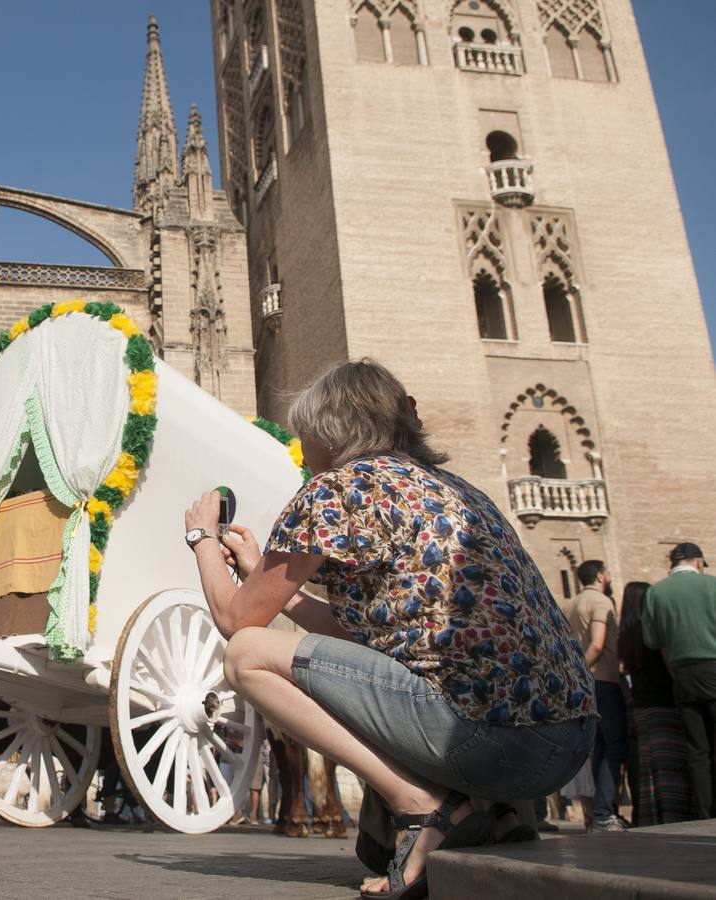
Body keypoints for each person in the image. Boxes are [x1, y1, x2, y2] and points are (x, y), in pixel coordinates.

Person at [184, 359, 595, 900]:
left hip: (486, 744)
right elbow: (371, 637)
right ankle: (492, 815)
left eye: (303, 435)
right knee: (372, 840)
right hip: (568, 744)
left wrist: (202, 537)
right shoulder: (459, 491)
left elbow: (236, 621)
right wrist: (272, 576)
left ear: (327, 433)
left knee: (248, 655)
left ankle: (422, 807)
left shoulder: (333, 490)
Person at [643, 542, 716, 819]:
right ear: (698, 562)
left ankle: (705, 812)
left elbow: (652, 640)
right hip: (713, 666)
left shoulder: (655, 593)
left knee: (697, 749)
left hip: (682, 675)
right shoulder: (711, 586)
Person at [617, 581, 691, 825]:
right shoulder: (649, 632)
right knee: (671, 764)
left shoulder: (625, 635)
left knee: (649, 768)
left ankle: (651, 816)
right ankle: (674, 813)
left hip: (641, 707)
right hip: (664, 703)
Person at [563, 560, 628, 832]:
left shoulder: (570, 605)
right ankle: (604, 813)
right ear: (601, 576)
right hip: (602, 680)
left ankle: (600, 812)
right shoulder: (601, 602)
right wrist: (584, 671)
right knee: (615, 747)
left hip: (584, 687)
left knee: (599, 747)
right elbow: (598, 643)